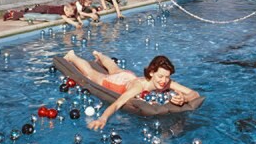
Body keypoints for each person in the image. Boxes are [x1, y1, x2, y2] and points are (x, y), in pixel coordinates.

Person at [63, 50, 199, 130]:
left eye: (167, 77)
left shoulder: (166, 82)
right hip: (117, 83)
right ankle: (72, 56)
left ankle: (100, 55)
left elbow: (194, 93)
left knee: (115, 69)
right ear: (151, 73)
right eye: (160, 76)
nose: (163, 81)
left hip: (129, 76)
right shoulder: (139, 87)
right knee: (92, 74)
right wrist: (103, 118)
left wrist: (185, 98)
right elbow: (117, 103)